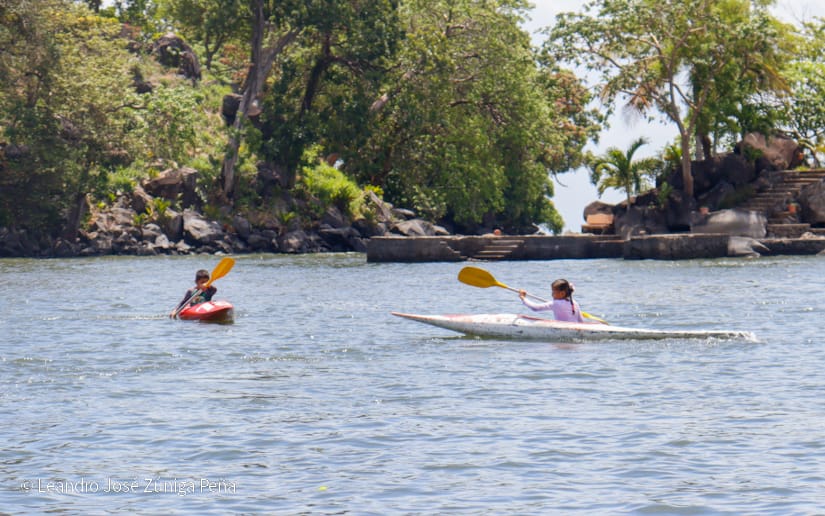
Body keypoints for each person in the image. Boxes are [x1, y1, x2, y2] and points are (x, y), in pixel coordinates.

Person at [519, 278, 584, 323]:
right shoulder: (575, 303)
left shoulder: (555, 303)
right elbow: (581, 321)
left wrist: (523, 298)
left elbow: (535, 308)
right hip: (574, 328)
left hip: (564, 329)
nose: (552, 295)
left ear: (562, 293)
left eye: (553, 292)